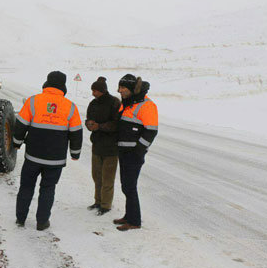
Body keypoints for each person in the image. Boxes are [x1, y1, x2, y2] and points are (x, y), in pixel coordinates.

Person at [13, 71, 83, 231]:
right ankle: (42, 222)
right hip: (55, 159)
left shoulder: (33, 101)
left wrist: (16, 143)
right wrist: (75, 153)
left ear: (47, 83)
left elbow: (21, 125)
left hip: (33, 156)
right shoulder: (70, 106)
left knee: (26, 186)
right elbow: (76, 132)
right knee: (48, 188)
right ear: (63, 86)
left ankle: (20, 219)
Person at [114, 74, 158, 231]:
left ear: (132, 89)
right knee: (125, 185)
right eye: (120, 88)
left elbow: (151, 131)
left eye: (123, 88)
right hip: (123, 151)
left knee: (130, 186)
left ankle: (135, 221)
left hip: (133, 153)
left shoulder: (147, 105)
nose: (120, 91)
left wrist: (138, 151)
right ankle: (128, 216)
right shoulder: (127, 103)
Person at [85, 77, 120, 216]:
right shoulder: (93, 103)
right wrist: (89, 125)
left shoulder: (114, 103)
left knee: (107, 178)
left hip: (111, 147)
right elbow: (88, 119)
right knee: (96, 176)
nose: (93, 93)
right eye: (92, 90)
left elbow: (117, 124)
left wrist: (99, 126)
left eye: (95, 90)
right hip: (97, 144)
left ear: (102, 90)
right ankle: (98, 201)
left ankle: (106, 205)